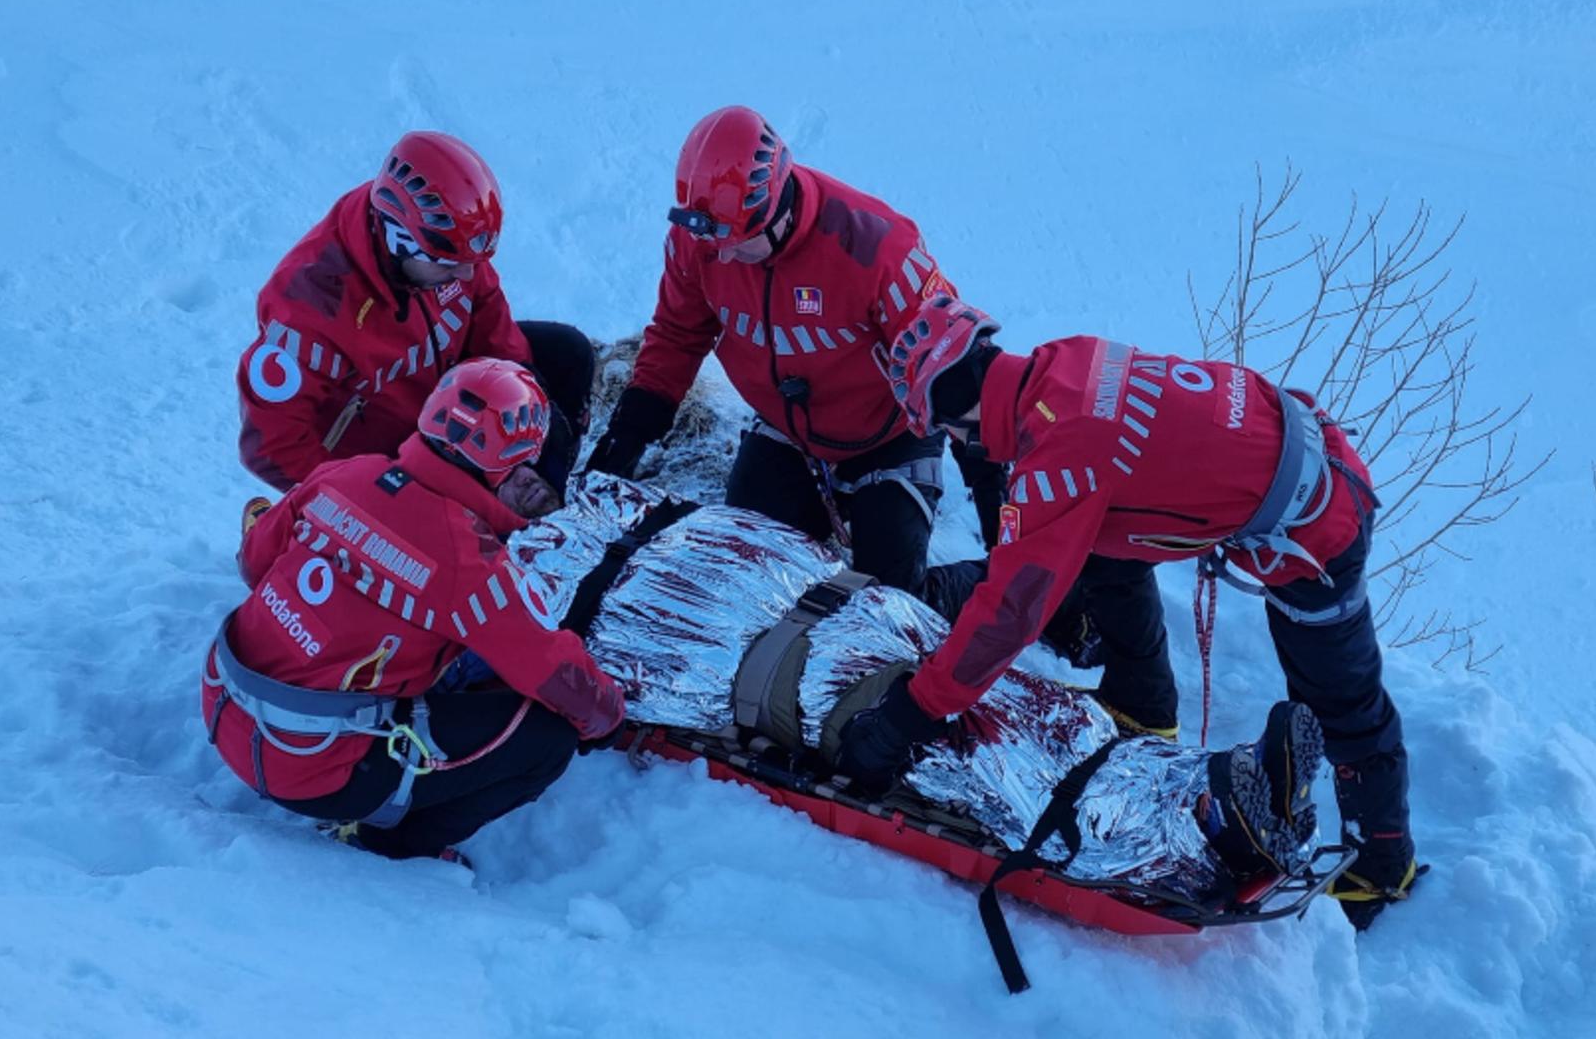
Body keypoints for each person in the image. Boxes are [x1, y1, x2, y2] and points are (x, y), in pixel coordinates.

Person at [835, 295, 1421, 930]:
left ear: (959, 412)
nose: (951, 444)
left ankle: (1379, 869)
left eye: (945, 431)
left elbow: (1008, 614)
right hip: (1301, 447)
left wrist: (911, 712)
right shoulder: (1066, 361)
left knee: (1343, 698)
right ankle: (1145, 707)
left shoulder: (1056, 464)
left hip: (1316, 528)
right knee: (1099, 547)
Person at [509, 471, 1327, 896]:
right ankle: (1201, 829)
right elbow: (599, 686)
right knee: (970, 749)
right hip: (793, 670)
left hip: (846, 608)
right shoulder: (518, 588)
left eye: (525, 457)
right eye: (505, 478)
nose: (527, 483)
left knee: (1026, 702)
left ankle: (1222, 784)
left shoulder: (619, 502)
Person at [203, 360, 626, 863]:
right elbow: (550, 668)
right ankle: (387, 843)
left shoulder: (347, 473)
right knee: (545, 740)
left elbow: (255, 564)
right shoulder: (468, 559)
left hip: (224, 701)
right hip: (310, 762)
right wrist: (607, 716)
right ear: (511, 462)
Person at [584, 105, 1005, 591]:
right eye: (712, 240)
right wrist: (626, 438)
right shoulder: (700, 238)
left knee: (886, 601)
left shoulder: (875, 247)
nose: (722, 255)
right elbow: (678, 334)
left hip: (890, 436)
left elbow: (953, 367)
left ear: (777, 209)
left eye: (739, 242)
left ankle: (985, 584)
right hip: (787, 431)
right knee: (743, 575)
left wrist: (993, 493)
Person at [236, 130, 596, 513]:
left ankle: (548, 512)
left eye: (470, 263)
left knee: (565, 356)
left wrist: (524, 391)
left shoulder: (445, 242)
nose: (463, 275)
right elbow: (271, 445)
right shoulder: (310, 309)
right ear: (398, 240)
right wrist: (362, 499)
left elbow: (486, 307)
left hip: (451, 405)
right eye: (448, 264)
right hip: (391, 460)